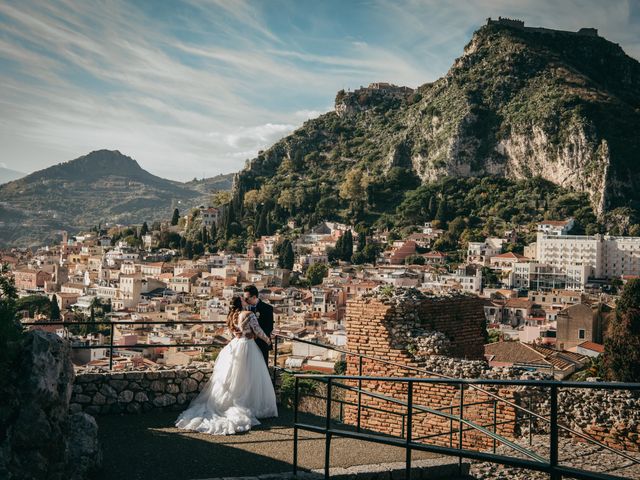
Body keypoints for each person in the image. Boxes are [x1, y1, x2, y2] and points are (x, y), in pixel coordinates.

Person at [175, 296, 277, 435]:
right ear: (240, 303)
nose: (245, 301)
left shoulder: (232, 316)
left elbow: (233, 333)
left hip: (235, 345)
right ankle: (249, 405)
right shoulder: (248, 314)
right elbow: (258, 330)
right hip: (247, 346)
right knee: (248, 377)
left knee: (234, 377)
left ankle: (233, 402)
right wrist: (268, 340)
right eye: (242, 300)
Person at [243, 285, 274, 365]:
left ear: (254, 297)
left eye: (246, 298)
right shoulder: (244, 309)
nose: (245, 300)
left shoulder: (267, 308)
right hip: (248, 344)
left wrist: (256, 335)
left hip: (262, 343)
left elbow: (269, 327)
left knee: (262, 367)